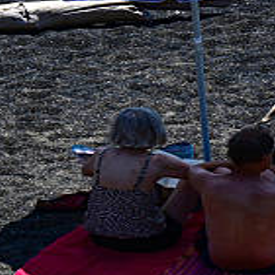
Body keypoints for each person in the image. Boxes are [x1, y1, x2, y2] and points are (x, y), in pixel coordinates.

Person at [183, 125, 275, 273]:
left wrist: (230, 164)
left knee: (221, 171)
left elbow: (195, 169)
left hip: (217, 262)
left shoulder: (209, 183)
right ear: (266, 159)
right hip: (267, 264)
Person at [80, 107, 195, 252]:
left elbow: (86, 171)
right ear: (156, 131)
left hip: (98, 236)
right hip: (147, 240)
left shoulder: (101, 154)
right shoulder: (157, 160)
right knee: (190, 182)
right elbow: (195, 173)